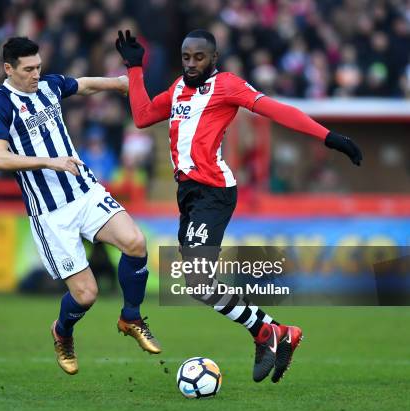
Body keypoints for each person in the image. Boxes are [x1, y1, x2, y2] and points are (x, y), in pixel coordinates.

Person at [115, 29, 362, 383]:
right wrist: (135, 68)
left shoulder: (227, 85)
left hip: (213, 191)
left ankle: (267, 333)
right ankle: (274, 332)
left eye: (198, 57)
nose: (191, 64)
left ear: (213, 58)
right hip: (188, 193)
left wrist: (330, 137)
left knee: (198, 279)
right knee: (199, 286)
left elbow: (277, 110)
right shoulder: (178, 89)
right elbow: (141, 116)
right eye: (186, 57)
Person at [0, 37, 161, 375]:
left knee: (136, 243)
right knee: (86, 295)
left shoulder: (49, 86)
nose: (36, 74)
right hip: (50, 212)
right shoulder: (0, 105)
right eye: (28, 69)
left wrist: (121, 84)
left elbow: (84, 85)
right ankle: (62, 331)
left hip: (84, 191)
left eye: (38, 66)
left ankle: (131, 317)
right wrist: (48, 162)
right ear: (9, 69)